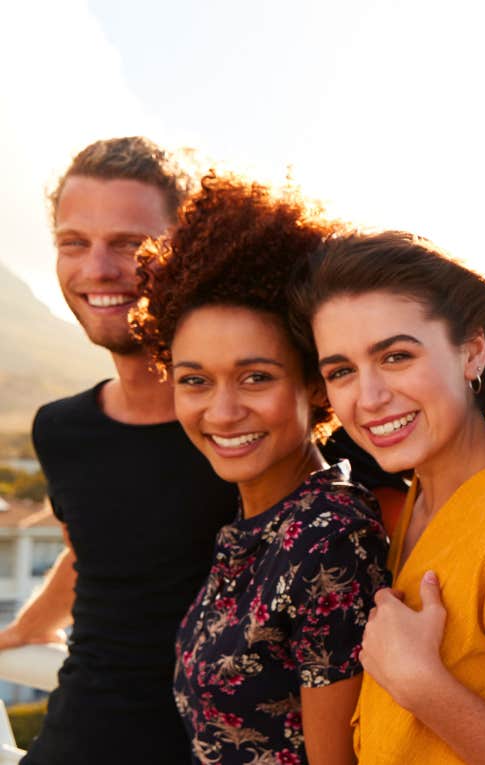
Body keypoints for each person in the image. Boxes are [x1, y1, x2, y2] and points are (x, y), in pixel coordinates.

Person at [128, 173, 388, 765]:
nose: (221, 411)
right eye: (195, 380)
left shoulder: (328, 536)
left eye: (255, 377)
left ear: (315, 384)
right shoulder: (261, 521)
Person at [288, 231, 485, 764]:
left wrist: (421, 685)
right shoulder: (421, 493)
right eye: (342, 371)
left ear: (471, 352)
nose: (368, 398)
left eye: (395, 356)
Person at [5, 137, 240, 765]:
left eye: (131, 244)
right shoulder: (63, 429)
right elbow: (95, 544)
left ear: (189, 250)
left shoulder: (252, 428)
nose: (97, 269)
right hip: (73, 741)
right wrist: (29, 628)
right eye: (73, 242)